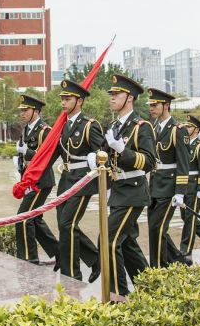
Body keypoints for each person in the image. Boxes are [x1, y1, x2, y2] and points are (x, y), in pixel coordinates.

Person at [104, 74, 155, 297]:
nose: (112, 98)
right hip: (117, 191)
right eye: (112, 94)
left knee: (108, 240)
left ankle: (118, 296)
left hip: (133, 191)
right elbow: (108, 159)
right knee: (126, 244)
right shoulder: (114, 126)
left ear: (130, 98)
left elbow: (149, 162)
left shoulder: (142, 127)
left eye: (117, 94)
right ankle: (151, 289)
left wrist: (122, 151)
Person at [50, 80, 104, 282]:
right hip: (66, 179)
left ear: (79, 101)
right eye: (62, 99)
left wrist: (96, 156)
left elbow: (104, 151)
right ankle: (95, 259)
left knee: (67, 224)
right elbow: (54, 154)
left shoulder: (90, 125)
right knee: (64, 225)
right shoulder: (62, 126)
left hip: (83, 181)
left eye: (68, 99)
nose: (63, 102)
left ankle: (71, 273)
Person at [146, 88, 189, 268]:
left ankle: (157, 269)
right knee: (154, 228)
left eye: (155, 105)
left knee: (157, 228)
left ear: (166, 105)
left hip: (169, 188)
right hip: (154, 185)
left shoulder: (177, 130)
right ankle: (178, 260)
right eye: (150, 105)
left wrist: (180, 193)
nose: (151, 108)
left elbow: (184, 164)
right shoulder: (154, 128)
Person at [14, 94, 59, 265]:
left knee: (23, 218)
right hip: (29, 182)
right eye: (22, 110)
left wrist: (28, 153)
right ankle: (58, 252)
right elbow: (23, 155)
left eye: (26, 110)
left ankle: (28, 258)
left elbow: (46, 157)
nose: (22, 113)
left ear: (36, 111)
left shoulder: (45, 131)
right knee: (35, 220)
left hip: (41, 182)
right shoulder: (26, 129)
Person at [177, 115, 200, 265]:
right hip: (182, 185)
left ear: (196, 129)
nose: (186, 128)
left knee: (189, 219)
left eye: (189, 126)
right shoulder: (183, 144)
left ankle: (185, 250)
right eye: (186, 126)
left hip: (194, 186)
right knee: (184, 216)